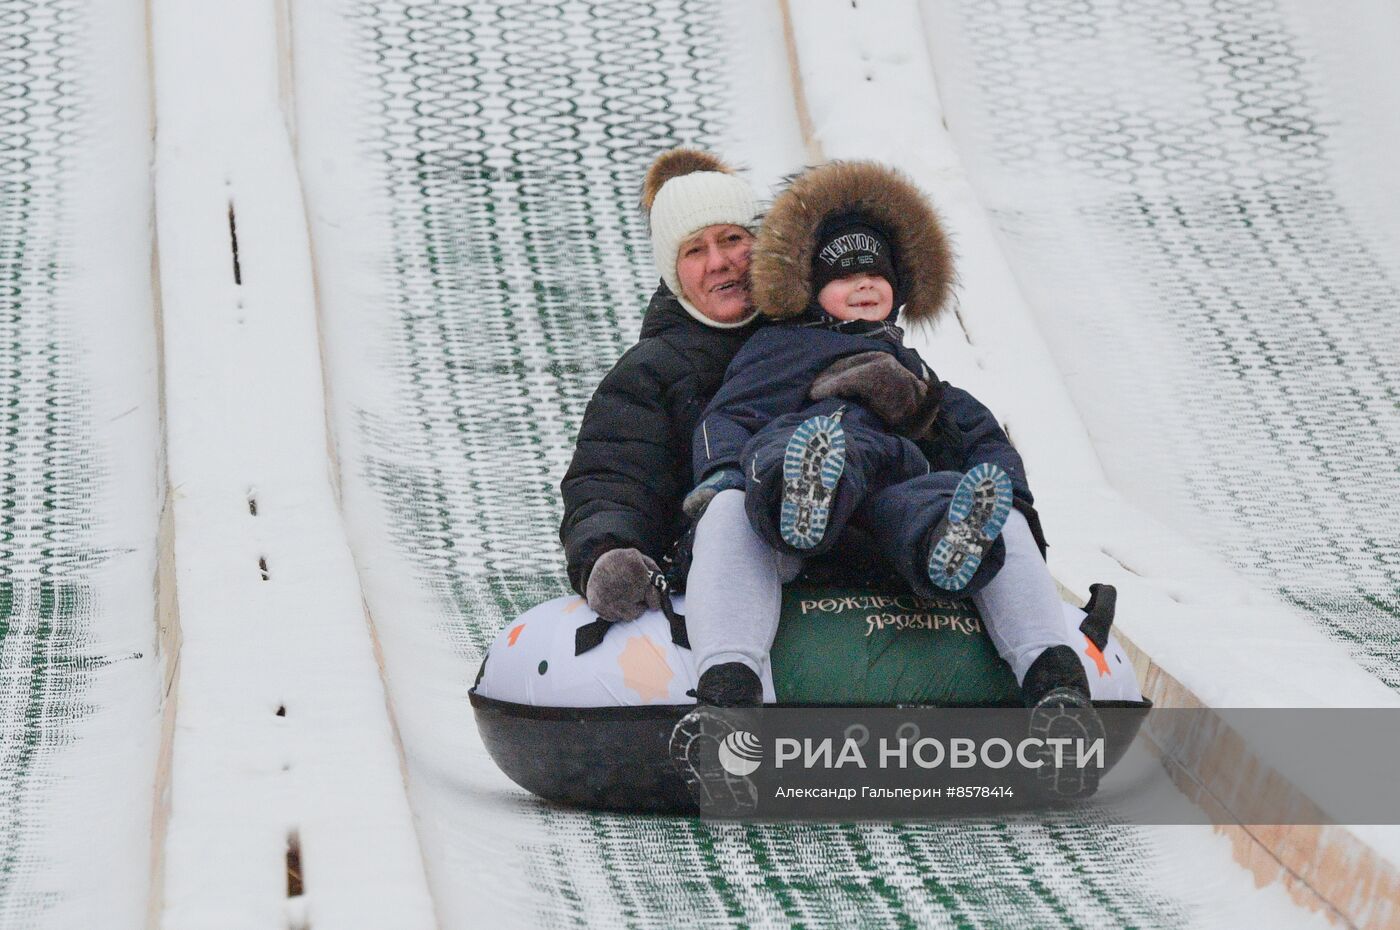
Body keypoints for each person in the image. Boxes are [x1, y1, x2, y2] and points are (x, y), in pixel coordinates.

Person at [682, 161, 1102, 795]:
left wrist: (1016, 515)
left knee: (971, 503)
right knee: (741, 500)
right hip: (792, 517)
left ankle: (1054, 694)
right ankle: (730, 705)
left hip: (885, 517)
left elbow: (981, 439)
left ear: (901, 287)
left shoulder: (916, 373)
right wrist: (718, 478)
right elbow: (731, 417)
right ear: (807, 285)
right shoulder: (778, 352)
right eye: (843, 275)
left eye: (876, 273)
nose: (862, 285)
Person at [559, 149, 928, 697]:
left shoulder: (835, 334)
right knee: (733, 507)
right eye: (695, 250)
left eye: (733, 239)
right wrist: (607, 551)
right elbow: (611, 479)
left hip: (856, 559)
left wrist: (916, 407)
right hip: (724, 559)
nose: (719, 262)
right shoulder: (651, 373)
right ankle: (730, 700)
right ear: (674, 272)